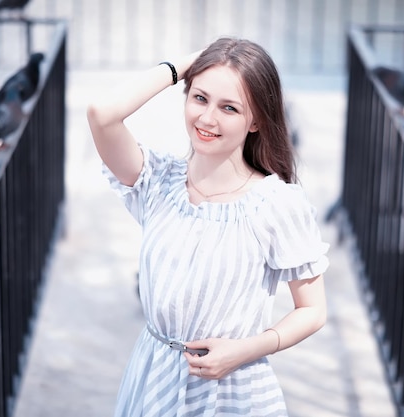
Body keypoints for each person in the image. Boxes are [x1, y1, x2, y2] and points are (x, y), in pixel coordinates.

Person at [87, 37, 329, 416]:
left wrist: (244, 350)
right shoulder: (157, 182)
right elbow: (102, 114)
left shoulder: (276, 204)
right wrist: (186, 65)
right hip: (153, 379)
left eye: (229, 107)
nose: (207, 119)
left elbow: (312, 310)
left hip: (233, 390)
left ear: (256, 121)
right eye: (199, 98)